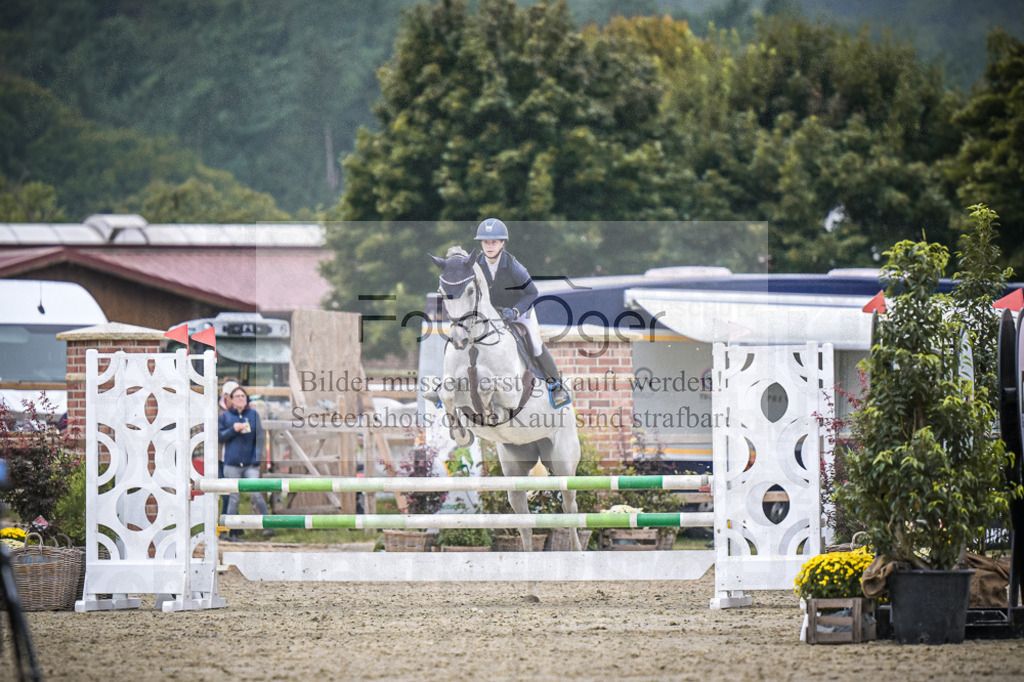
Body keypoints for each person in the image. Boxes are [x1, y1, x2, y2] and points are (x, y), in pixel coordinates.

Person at [473, 218, 571, 408]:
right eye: (485, 242)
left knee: (535, 344)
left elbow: (532, 293)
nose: (489, 246)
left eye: (494, 242)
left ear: (502, 243)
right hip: (492, 314)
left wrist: (516, 311)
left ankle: (556, 386)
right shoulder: (476, 266)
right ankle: (449, 383)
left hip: (520, 310)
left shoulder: (513, 266)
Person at [218, 386, 273, 540]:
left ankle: (268, 525)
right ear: (232, 400)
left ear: (246, 399)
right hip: (231, 463)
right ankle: (230, 531)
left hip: (250, 464)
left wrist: (256, 460)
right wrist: (233, 429)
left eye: (243, 396)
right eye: (237, 396)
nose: (240, 399)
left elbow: (260, 439)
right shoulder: (226, 417)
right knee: (233, 498)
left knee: (256, 493)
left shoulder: (254, 415)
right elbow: (220, 437)